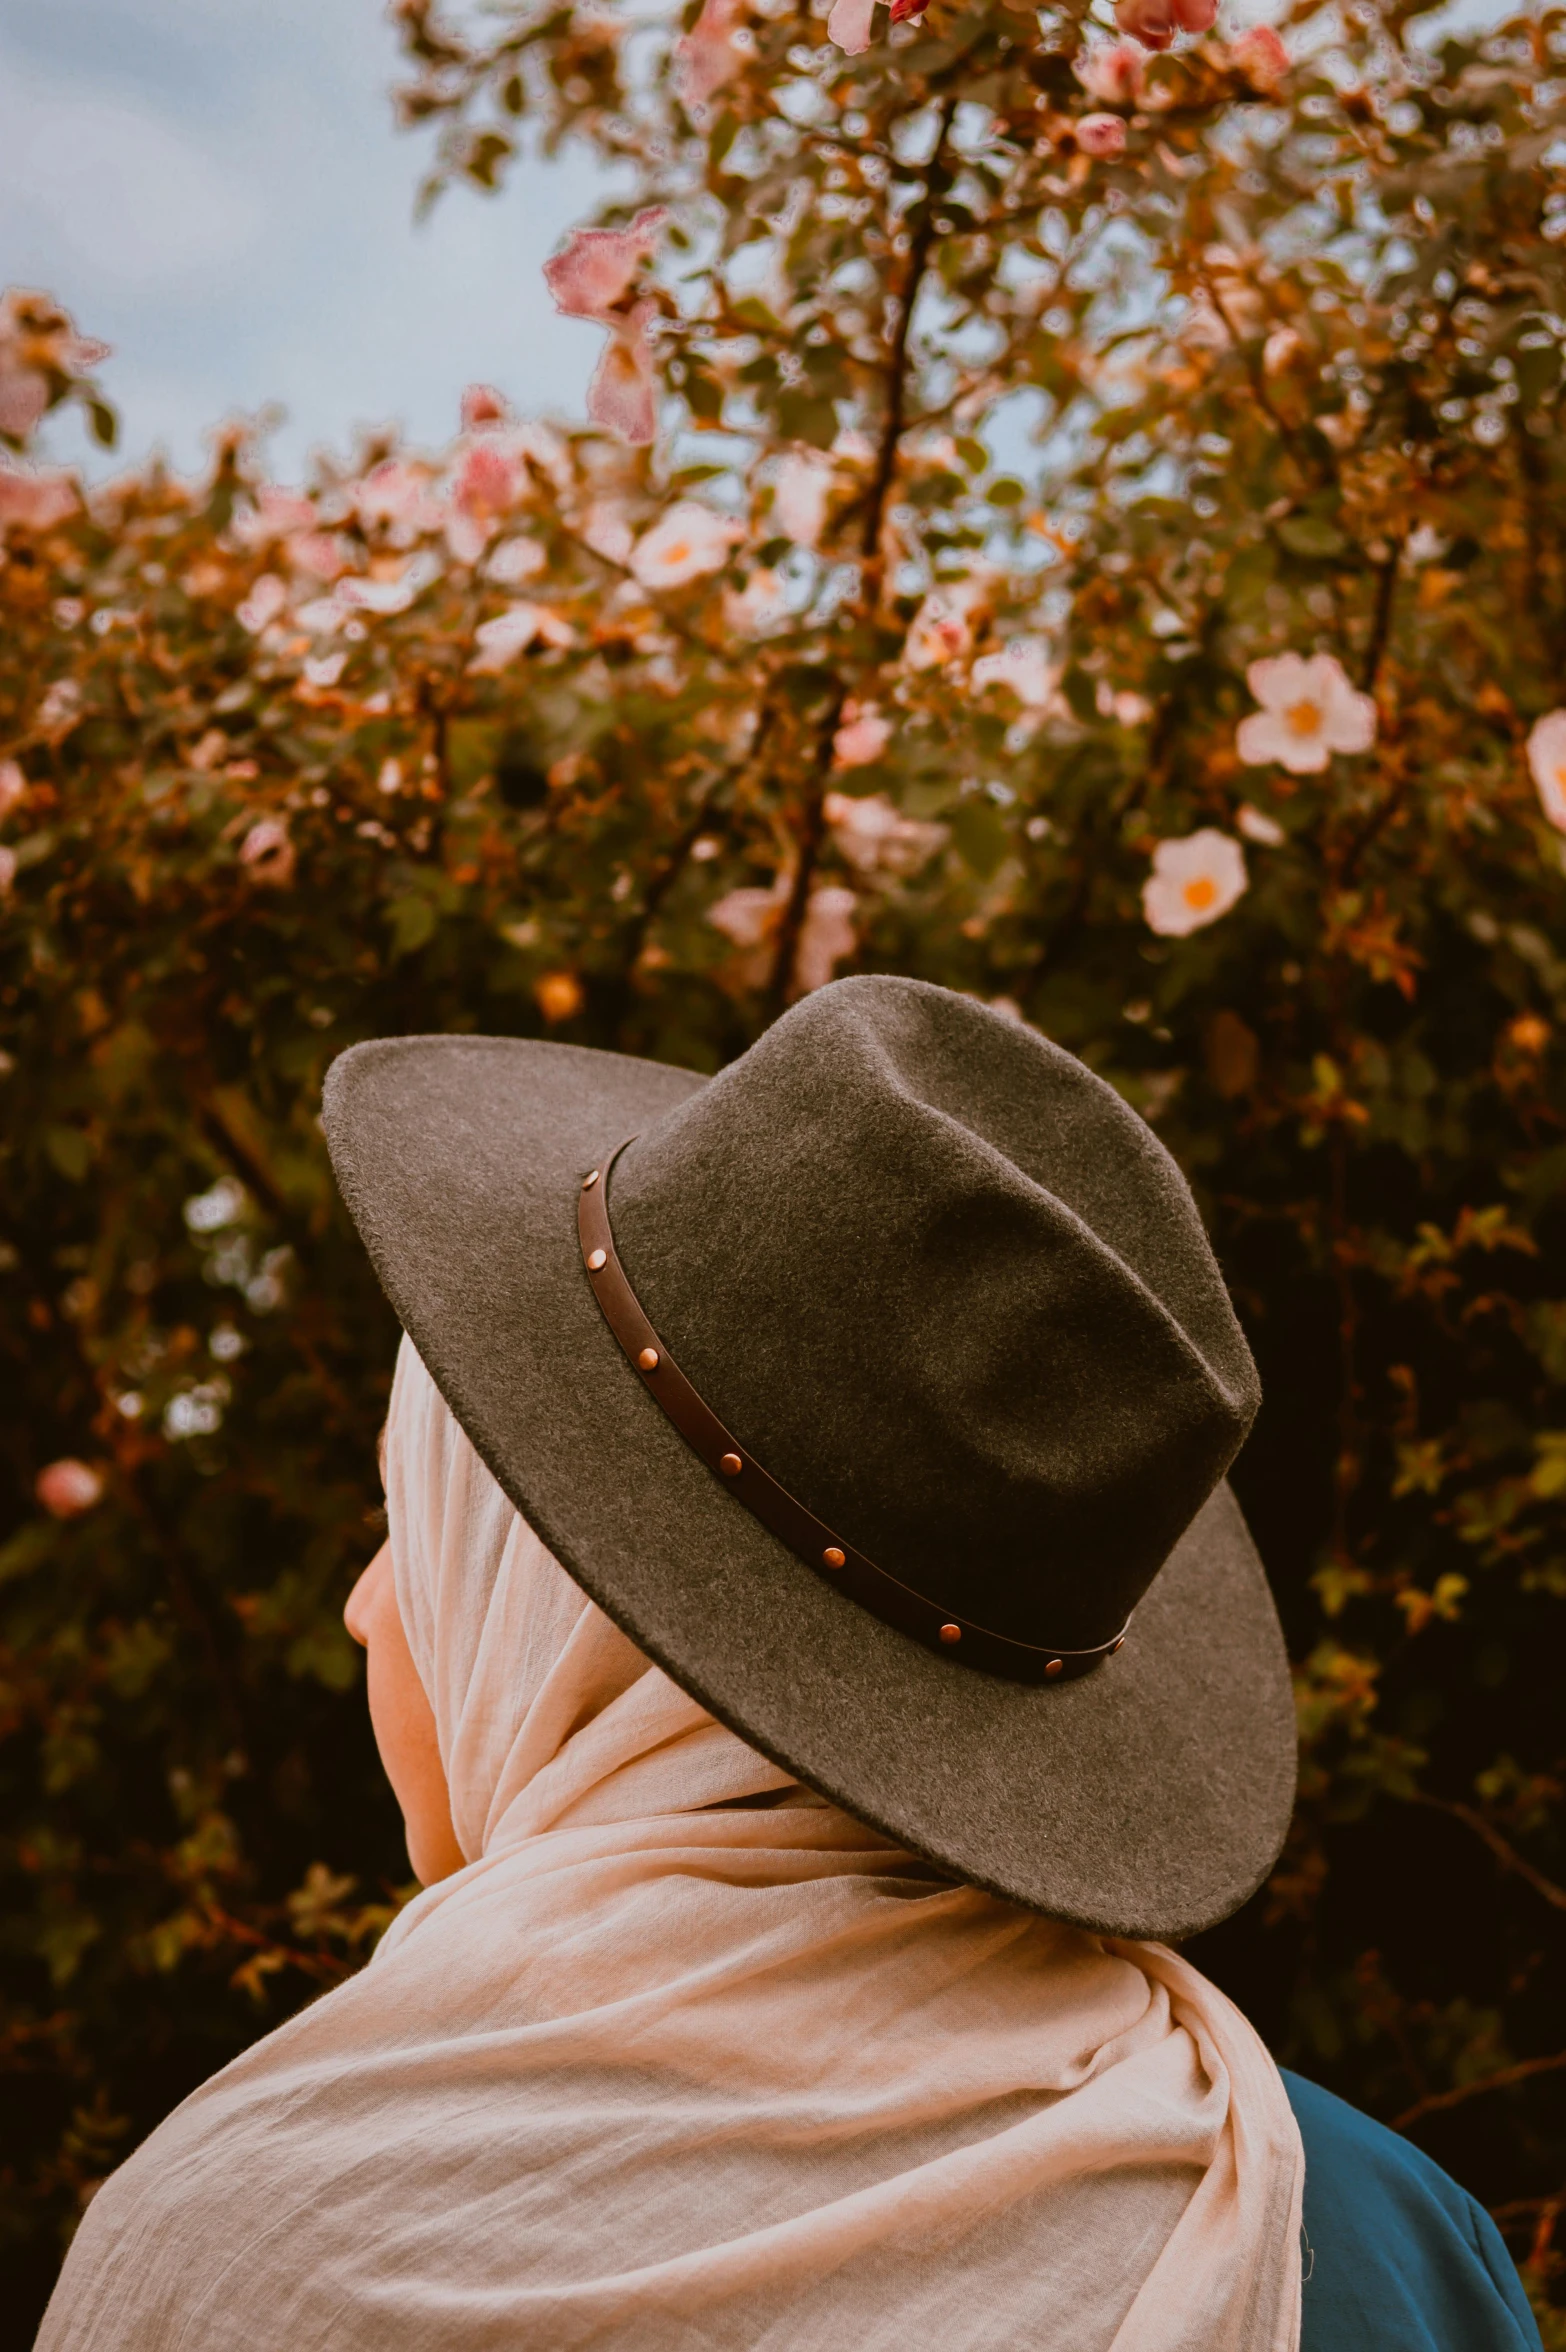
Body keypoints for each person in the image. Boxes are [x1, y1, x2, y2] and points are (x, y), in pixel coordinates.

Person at [38, 978, 1540, 2351]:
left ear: (572, 1619)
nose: (371, 1605)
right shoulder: (1367, 2240)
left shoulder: (253, 2262)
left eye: (417, 1527)